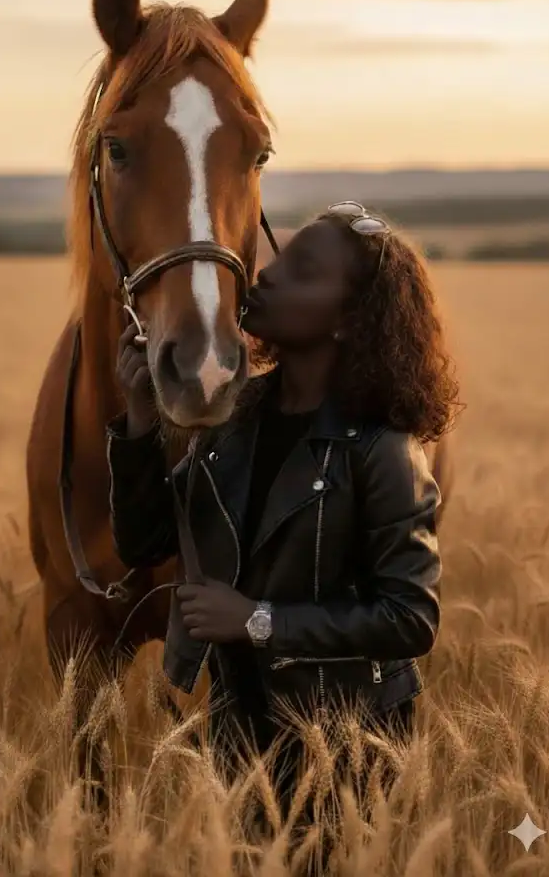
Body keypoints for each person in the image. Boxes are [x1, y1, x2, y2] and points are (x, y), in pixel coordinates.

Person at [106, 202, 460, 857]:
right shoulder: (235, 413)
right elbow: (147, 544)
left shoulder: (380, 449)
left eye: (301, 271)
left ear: (350, 320)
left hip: (347, 749)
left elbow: (411, 618)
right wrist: (136, 424)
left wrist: (257, 620)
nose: (264, 276)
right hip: (236, 735)